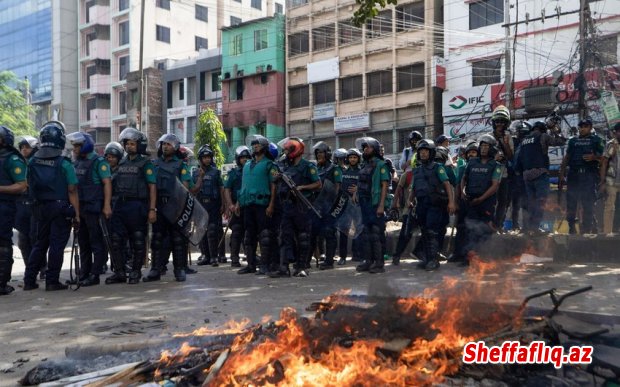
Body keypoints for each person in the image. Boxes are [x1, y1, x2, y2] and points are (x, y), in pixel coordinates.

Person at [23, 121, 79, 291]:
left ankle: (29, 280)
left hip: (40, 209)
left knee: (40, 244)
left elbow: (27, 184)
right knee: (56, 245)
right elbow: (72, 190)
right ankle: (52, 281)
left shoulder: (32, 161)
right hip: (60, 208)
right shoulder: (64, 163)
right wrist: (76, 214)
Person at [105, 128, 157, 285]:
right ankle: (120, 272)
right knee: (116, 240)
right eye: (127, 144)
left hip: (138, 206)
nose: (129, 146)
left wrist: (152, 209)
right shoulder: (120, 162)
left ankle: (135, 272)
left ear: (139, 145)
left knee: (138, 241)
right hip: (120, 205)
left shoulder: (145, 164)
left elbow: (152, 187)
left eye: (132, 144)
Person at [269, 137, 321, 278]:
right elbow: (275, 180)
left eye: (287, 149)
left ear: (295, 150)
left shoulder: (307, 166)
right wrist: (277, 177)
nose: (285, 152)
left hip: (302, 207)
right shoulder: (285, 167)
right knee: (285, 236)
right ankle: (284, 268)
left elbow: (318, 184)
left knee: (303, 237)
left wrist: (303, 187)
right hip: (287, 207)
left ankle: (302, 267)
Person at [144, 134, 192, 282]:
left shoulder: (181, 165)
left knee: (177, 239)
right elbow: (149, 185)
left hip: (175, 206)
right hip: (159, 205)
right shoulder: (154, 164)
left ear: (175, 147)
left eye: (169, 144)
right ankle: (156, 270)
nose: (165, 146)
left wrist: (180, 206)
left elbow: (185, 187)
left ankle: (179, 270)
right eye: (163, 144)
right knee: (157, 239)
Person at [67, 132, 112, 286]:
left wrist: (106, 206)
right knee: (83, 242)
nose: (75, 149)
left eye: (77, 146)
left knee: (96, 242)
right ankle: (83, 273)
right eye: (74, 146)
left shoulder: (99, 162)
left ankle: (95, 274)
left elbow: (107, 183)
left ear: (85, 145)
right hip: (80, 208)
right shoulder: (76, 163)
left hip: (94, 208)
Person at [406, 140, 456, 271]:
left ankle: (433, 260)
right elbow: (414, 188)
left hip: (435, 205)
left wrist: (451, 202)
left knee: (432, 232)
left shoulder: (437, 167)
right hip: (421, 205)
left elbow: (447, 184)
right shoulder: (416, 170)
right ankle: (427, 259)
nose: (423, 154)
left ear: (431, 153)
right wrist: (409, 200)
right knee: (425, 232)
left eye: (425, 151)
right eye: (421, 152)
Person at [513, 121, 566, 235]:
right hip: (540, 173)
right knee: (541, 201)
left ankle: (529, 228)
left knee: (531, 203)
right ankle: (535, 228)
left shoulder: (524, 141)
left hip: (526, 176)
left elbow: (517, 162)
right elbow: (561, 141)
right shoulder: (543, 136)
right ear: (543, 129)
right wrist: (555, 130)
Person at [237, 135, 277, 274]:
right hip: (247, 205)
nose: (254, 146)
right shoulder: (247, 165)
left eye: (257, 144)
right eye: (253, 144)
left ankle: (265, 265)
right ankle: (251, 265)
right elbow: (244, 186)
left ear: (264, 147)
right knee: (249, 236)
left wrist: (271, 204)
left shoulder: (270, 165)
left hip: (263, 205)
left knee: (265, 236)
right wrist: (238, 203)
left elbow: (274, 186)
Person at [460, 134, 502, 264]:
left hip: (487, 203)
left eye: (486, 146)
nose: (483, 148)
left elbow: (495, 185)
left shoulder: (496, 165)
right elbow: (464, 178)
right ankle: (470, 257)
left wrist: (482, 198)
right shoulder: (472, 162)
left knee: (485, 229)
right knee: (470, 229)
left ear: (492, 148)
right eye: (482, 146)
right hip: (472, 201)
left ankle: (482, 257)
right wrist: (462, 191)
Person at [559, 118, 605, 234]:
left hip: (589, 176)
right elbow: (567, 157)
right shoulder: (573, 141)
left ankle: (586, 229)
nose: (582, 128)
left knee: (588, 203)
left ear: (590, 127)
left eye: (585, 126)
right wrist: (561, 174)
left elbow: (605, 158)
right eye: (581, 126)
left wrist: (594, 157)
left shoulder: (597, 140)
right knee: (571, 203)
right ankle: (571, 227)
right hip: (573, 175)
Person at [355, 137, 390, 274]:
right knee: (366, 233)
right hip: (364, 204)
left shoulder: (381, 164)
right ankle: (368, 261)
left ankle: (379, 263)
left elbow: (384, 185)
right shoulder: (364, 165)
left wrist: (381, 205)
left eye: (368, 147)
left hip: (375, 203)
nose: (365, 149)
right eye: (364, 148)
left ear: (374, 149)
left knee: (376, 233)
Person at [0, 126, 28, 295]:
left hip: (4, 206)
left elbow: (21, 185)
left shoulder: (12, 160)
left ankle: (2, 282)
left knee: (2, 243)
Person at [192, 145, 225, 267]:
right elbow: (192, 190)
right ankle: (205, 256)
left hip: (213, 205)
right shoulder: (195, 173)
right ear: (200, 159)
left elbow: (221, 189)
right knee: (202, 231)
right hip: (200, 205)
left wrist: (223, 204)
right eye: (204, 157)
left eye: (209, 157)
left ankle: (214, 257)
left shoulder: (216, 172)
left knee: (212, 230)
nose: (207, 160)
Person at [448, 141, 480, 263]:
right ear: (466, 155)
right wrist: (455, 203)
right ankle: (458, 253)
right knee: (460, 228)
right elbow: (457, 186)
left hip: (475, 203)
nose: (471, 155)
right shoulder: (461, 168)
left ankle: (469, 256)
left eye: (474, 152)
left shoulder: (481, 168)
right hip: (462, 202)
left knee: (472, 229)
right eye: (469, 152)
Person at [311, 142, 341, 270]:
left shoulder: (334, 169)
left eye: (321, 152)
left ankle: (329, 261)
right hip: (316, 205)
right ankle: (308, 260)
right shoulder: (315, 169)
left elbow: (338, 188)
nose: (319, 155)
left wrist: (334, 206)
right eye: (317, 153)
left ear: (327, 154)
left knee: (329, 233)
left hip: (329, 205)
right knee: (313, 233)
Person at [14, 136, 38, 276]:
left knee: (36, 238)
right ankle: (30, 269)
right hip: (21, 205)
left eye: (27, 147)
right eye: (22, 147)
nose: (24, 149)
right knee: (23, 240)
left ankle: (42, 268)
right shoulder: (17, 163)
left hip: (35, 204)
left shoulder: (38, 163)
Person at [223, 146, 251, 267]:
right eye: (242, 157)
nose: (244, 159)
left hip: (249, 205)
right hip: (236, 207)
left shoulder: (252, 172)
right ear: (238, 159)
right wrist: (230, 205)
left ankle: (251, 257)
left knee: (250, 232)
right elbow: (226, 189)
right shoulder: (233, 173)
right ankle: (234, 258)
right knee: (237, 232)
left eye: (246, 157)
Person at [489, 105, 514, 232]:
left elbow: (510, 156)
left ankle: (498, 225)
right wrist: (494, 158)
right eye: (497, 121)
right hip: (489, 176)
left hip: (503, 175)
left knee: (503, 202)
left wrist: (504, 142)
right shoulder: (487, 137)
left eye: (502, 122)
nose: (499, 124)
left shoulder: (508, 136)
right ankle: (489, 226)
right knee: (491, 202)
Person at [338, 148, 363, 265]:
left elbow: (366, 185)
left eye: (355, 157)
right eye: (350, 157)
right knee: (344, 230)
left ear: (358, 159)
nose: (352, 159)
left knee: (358, 229)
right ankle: (342, 256)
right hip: (345, 204)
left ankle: (357, 255)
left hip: (357, 204)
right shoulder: (343, 172)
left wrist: (358, 190)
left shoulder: (362, 171)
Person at [508, 121, 532, 232]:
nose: (517, 134)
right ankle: (516, 225)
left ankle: (525, 226)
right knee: (516, 202)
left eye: (519, 132)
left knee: (524, 202)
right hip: (515, 176)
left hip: (524, 176)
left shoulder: (529, 143)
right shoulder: (514, 142)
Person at [599, 122, 620, 236]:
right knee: (610, 207)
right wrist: (602, 182)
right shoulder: (611, 144)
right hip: (612, 181)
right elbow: (604, 162)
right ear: (615, 133)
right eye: (618, 131)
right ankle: (608, 233)